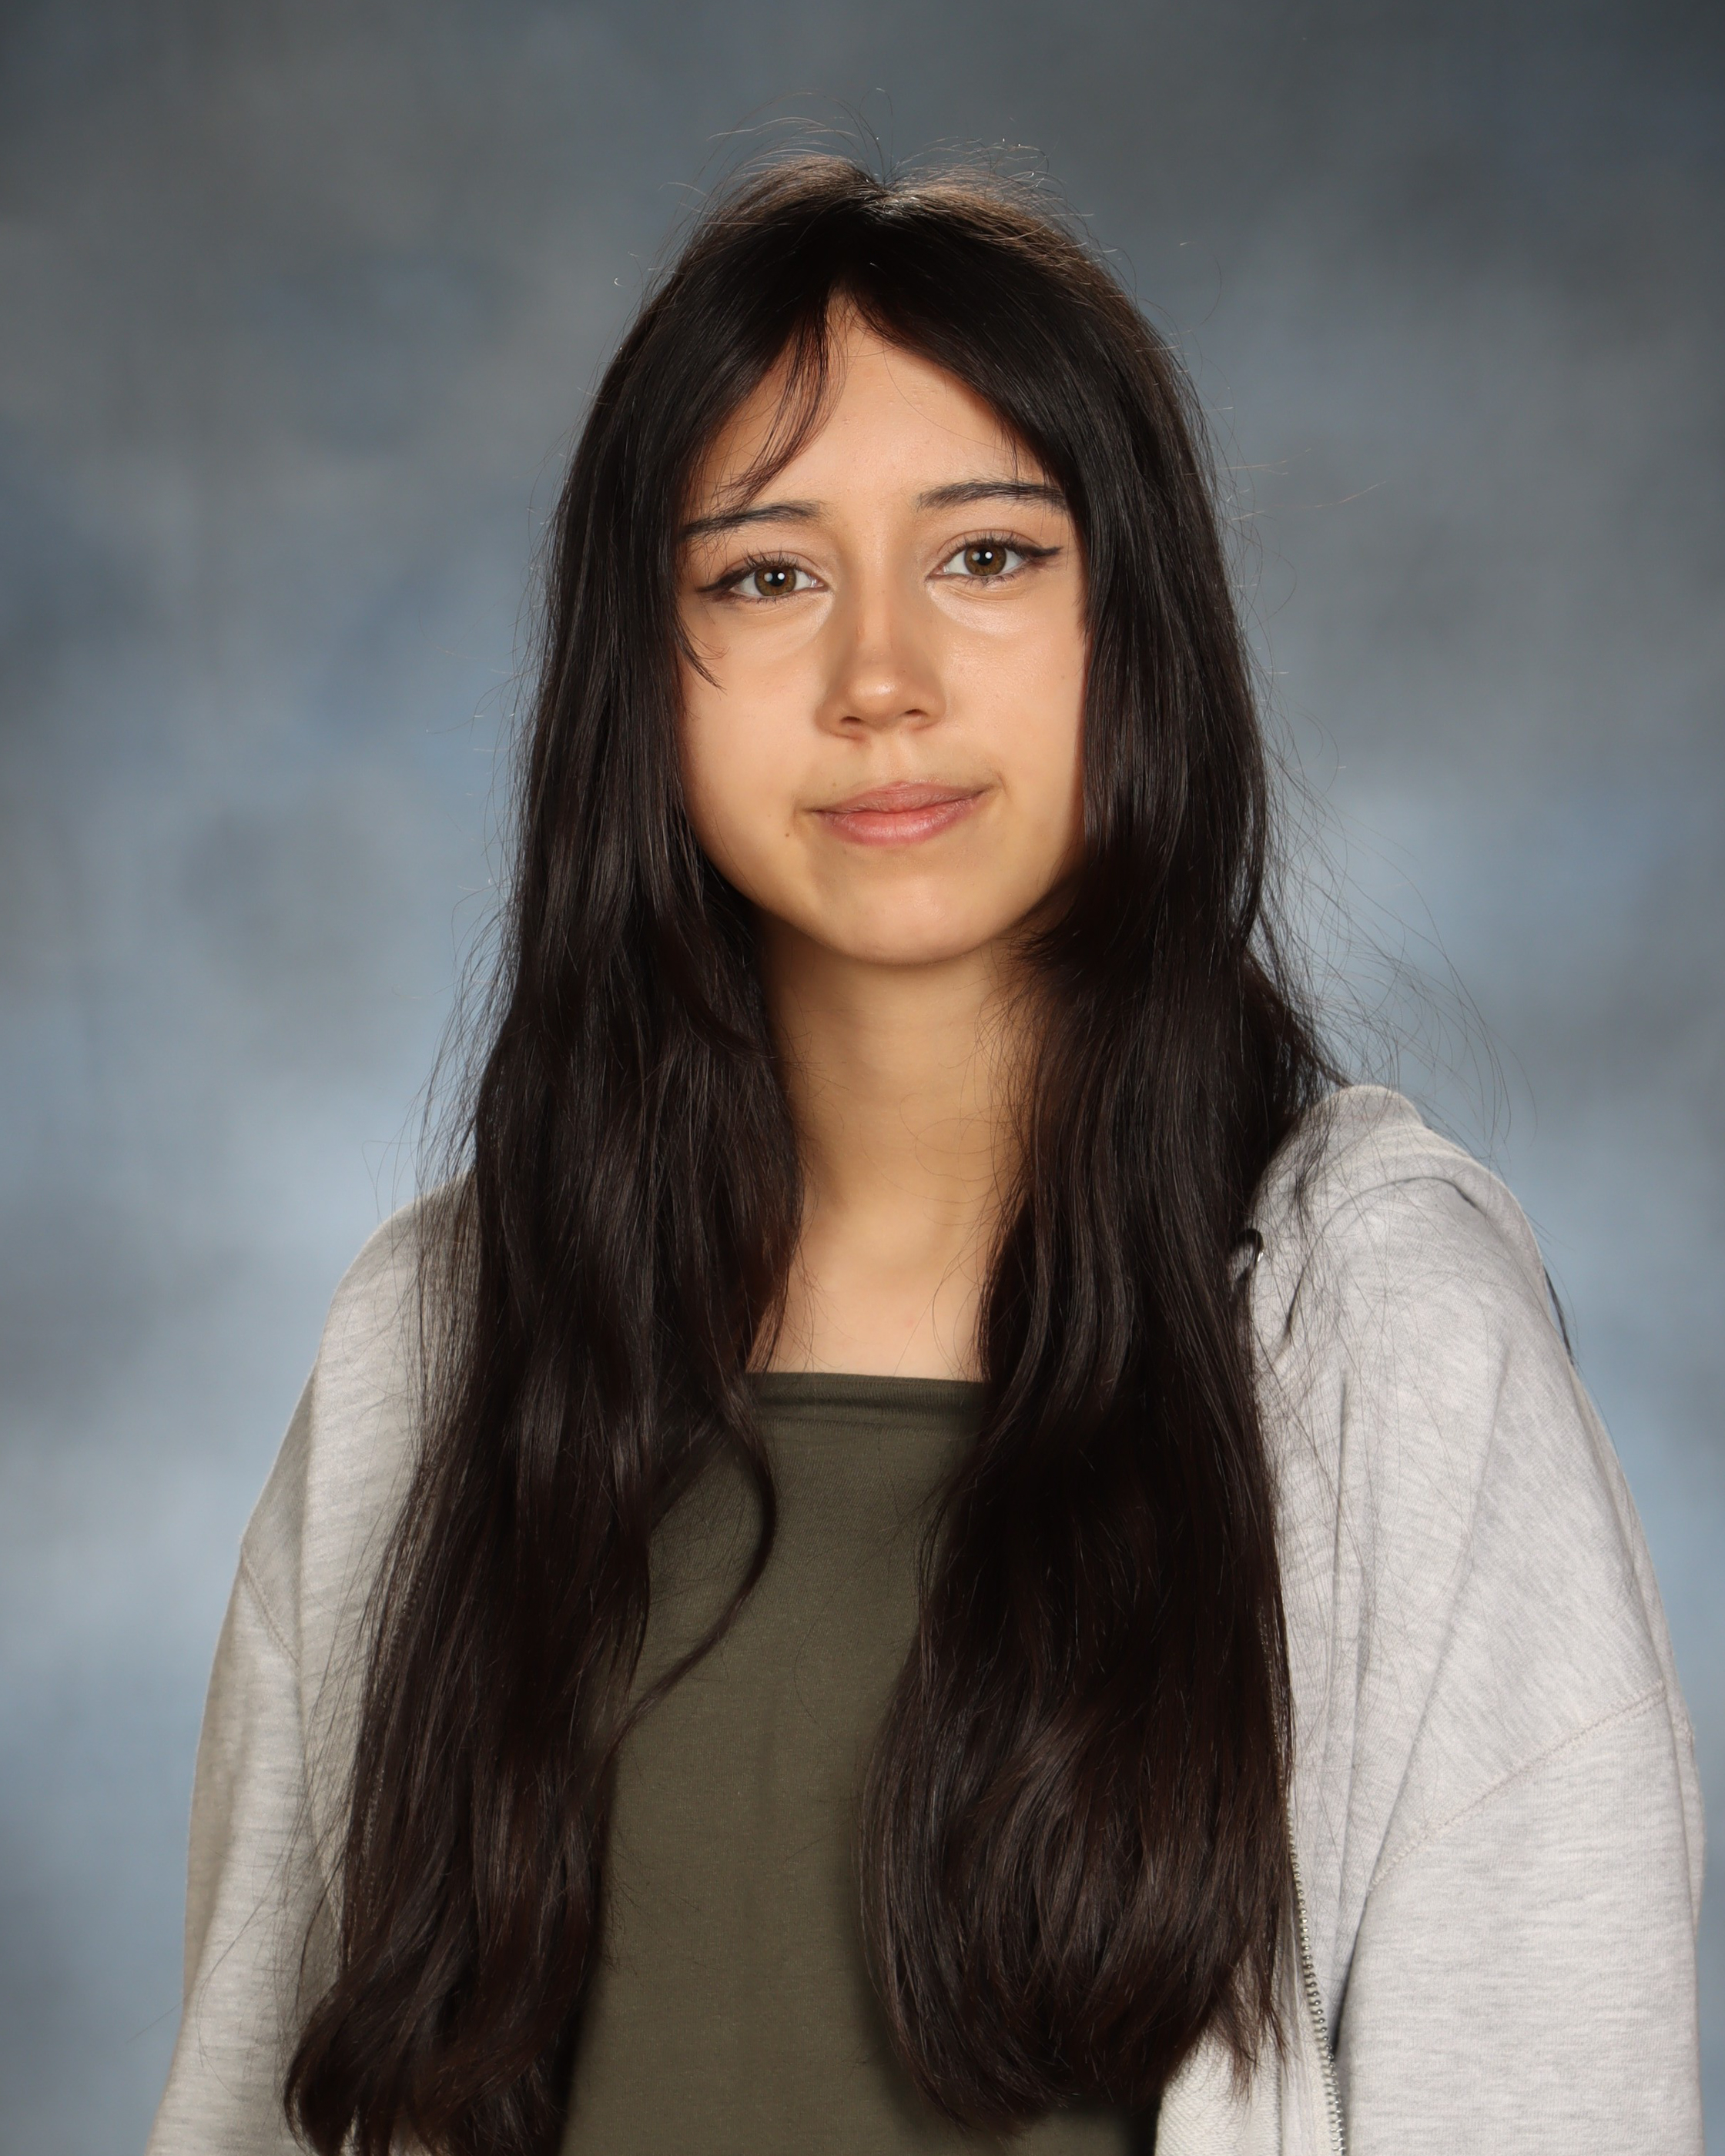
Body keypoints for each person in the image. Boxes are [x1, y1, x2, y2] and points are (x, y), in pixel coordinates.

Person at [146, 158, 1703, 2156]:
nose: (881, 679)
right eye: (765, 575)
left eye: (987, 555)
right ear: (642, 676)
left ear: (1133, 631)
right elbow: (254, 2103)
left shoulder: (1389, 1342)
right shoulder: (436, 1346)